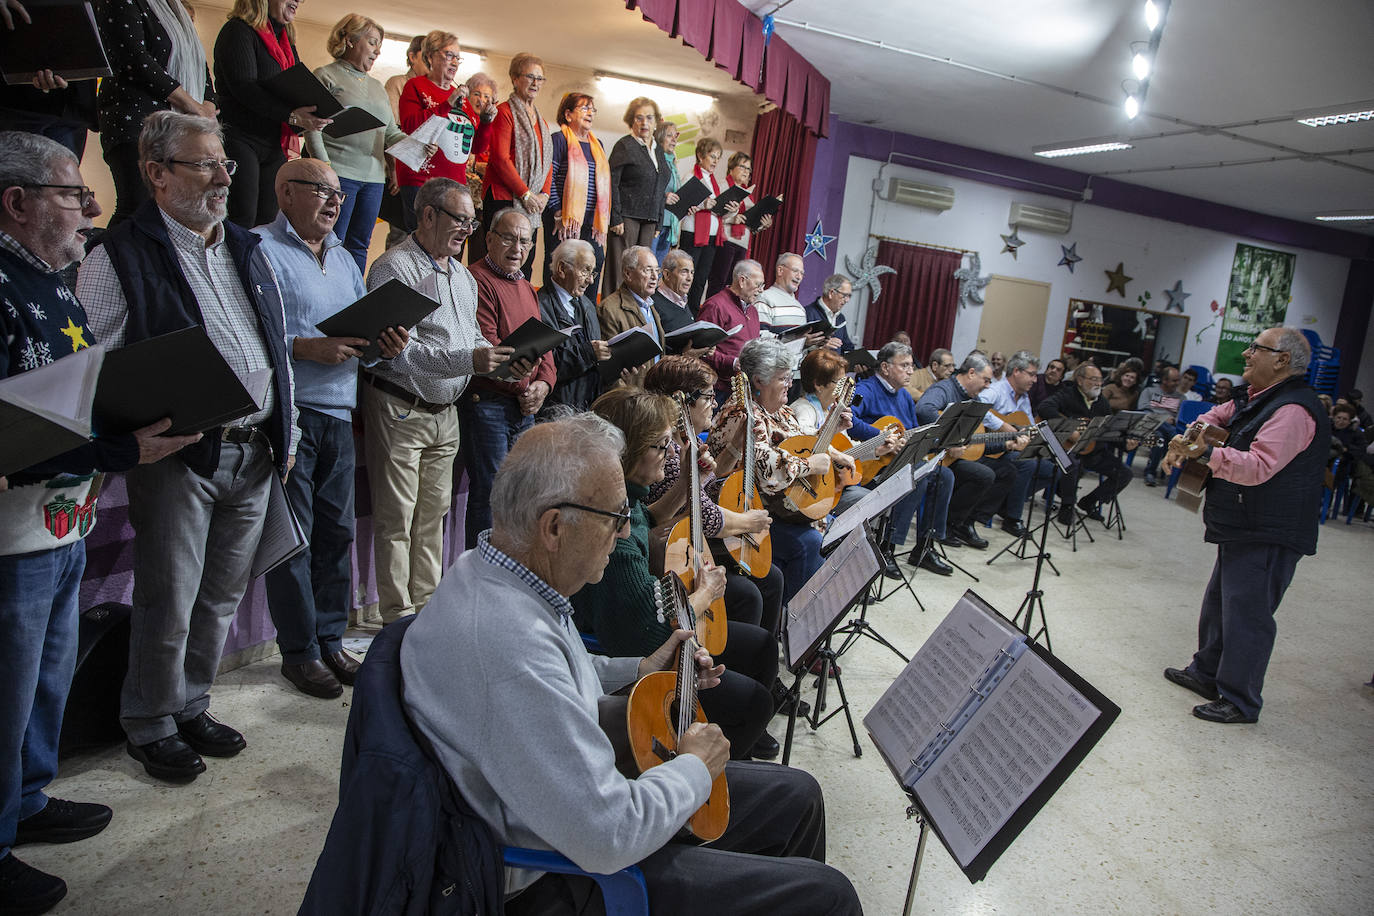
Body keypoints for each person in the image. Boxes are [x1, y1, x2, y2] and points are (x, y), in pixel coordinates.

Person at [400, 415, 863, 915]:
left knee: (797, 796)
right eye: (615, 517)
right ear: (554, 527)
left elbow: (567, 676)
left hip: (573, 811)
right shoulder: (506, 643)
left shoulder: (497, 570)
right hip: (560, 876)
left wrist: (643, 668)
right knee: (828, 897)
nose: (625, 534)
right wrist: (693, 768)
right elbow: (610, 834)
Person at [0, 130, 199, 916]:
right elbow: (17, 433)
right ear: (15, 203)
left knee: (47, 680)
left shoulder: (53, 280)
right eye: (69, 195)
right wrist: (123, 445)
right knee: (7, 693)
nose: (89, 209)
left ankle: (28, 799)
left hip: (64, 521)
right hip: (12, 535)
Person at [78, 111, 299, 784]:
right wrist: (122, 439)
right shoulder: (120, 253)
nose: (222, 179)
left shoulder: (244, 247)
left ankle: (190, 703)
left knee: (220, 599)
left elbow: (276, 343)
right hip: (178, 454)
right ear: (156, 173)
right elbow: (91, 363)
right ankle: (148, 722)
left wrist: (283, 429)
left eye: (225, 164)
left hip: (254, 451)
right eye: (204, 165)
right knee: (168, 600)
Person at [254, 159, 409, 699]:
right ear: (285, 192)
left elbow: (355, 334)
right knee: (294, 538)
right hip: (289, 409)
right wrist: (304, 347)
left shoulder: (345, 258)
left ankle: (329, 637)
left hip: (340, 409)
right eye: (321, 191)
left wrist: (381, 344)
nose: (334, 202)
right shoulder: (258, 249)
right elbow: (249, 334)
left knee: (336, 531)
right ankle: (298, 652)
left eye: (340, 195)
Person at [571, 388, 779, 760]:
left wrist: (685, 482)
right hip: (631, 650)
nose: (671, 455)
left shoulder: (625, 499)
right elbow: (645, 637)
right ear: (629, 450)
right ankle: (715, 777)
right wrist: (706, 593)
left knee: (760, 645)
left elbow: (645, 519)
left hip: (649, 624)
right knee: (754, 702)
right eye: (663, 445)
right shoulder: (612, 536)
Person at [361, 178, 514, 624]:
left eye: (472, 221)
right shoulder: (395, 268)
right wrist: (470, 358)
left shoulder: (462, 276)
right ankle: (396, 619)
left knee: (433, 519)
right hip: (400, 405)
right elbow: (398, 351)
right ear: (427, 215)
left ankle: (426, 613)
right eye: (459, 219)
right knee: (396, 521)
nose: (467, 229)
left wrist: (500, 357)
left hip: (445, 413)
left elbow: (472, 338)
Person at [1161, 328, 1328, 724]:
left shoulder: (1293, 410)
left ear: (1282, 360)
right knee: (1221, 602)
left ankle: (1240, 700)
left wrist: (1206, 452)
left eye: (1257, 348)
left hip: (1271, 529)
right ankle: (1206, 673)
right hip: (1243, 521)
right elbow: (1210, 418)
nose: (1247, 354)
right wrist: (1188, 438)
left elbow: (1258, 467)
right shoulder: (1255, 398)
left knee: (1248, 615)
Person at [709, 338, 850, 604]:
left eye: (789, 377)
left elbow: (800, 447)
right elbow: (769, 472)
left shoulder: (781, 412)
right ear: (759, 381)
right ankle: (792, 619)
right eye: (783, 378)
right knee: (808, 541)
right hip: (744, 512)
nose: (789, 385)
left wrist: (831, 431)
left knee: (831, 528)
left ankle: (811, 612)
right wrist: (809, 466)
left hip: (778, 507)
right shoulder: (742, 414)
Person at [804, 349, 954, 576]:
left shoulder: (903, 395)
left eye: (911, 366)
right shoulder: (864, 390)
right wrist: (880, 437)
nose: (910, 371)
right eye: (904, 365)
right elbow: (851, 422)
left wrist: (887, 445)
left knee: (942, 475)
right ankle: (883, 550)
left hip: (872, 459)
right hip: (861, 470)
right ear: (885, 367)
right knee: (914, 477)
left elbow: (910, 430)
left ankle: (924, 545)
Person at [463, 207, 556, 547]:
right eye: (508, 238)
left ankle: (510, 572)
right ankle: (480, 577)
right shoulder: (476, 280)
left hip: (523, 408)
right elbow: (489, 347)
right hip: (488, 405)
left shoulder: (527, 288)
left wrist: (543, 385)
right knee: (490, 497)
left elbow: (545, 350)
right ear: (488, 239)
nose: (517, 248)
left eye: (525, 241)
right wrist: (525, 387)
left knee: (520, 498)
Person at [95, 0, 217, 228]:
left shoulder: (177, 10)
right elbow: (135, 59)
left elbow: (201, 67)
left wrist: (207, 106)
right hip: (138, 125)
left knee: (172, 215)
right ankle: (106, 263)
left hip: (181, 130)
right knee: (139, 209)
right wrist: (191, 105)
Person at [302, 14, 408, 275]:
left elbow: (390, 133)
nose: (377, 51)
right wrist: (324, 168)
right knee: (331, 241)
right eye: (372, 42)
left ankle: (351, 298)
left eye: (379, 45)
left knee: (360, 244)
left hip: (373, 178)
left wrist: (417, 143)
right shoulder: (326, 75)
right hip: (339, 174)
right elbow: (312, 126)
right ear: (350, 39)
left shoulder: (378, 86)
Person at [215, 0, 332, 228]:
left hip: (273, 141)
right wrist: (292, 115)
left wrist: (312, 114)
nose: (299, 1)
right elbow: (244, 87)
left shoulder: (285, 40)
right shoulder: (238, 31)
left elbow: (293, 87)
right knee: (242, 216)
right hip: (241, 138)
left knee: (269, 220)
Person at [914, 352, 1014, 550]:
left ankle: (957, 524)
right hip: (931, 453)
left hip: (953, 456)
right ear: (970, 373)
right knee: (954, 476)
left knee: (994, 473)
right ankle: (932, 540)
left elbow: (973, 442)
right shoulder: (945, 388)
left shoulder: (973, 400)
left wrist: (1006, 444)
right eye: (985, 380)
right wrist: (948, 439)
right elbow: (924, 409)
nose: (987, 386)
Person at [395, 30, 491, 233]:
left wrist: (485, 122)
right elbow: (411, 126)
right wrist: (446, 104)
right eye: (449, 55)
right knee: (422, 241)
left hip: (454, 185)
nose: (454, 62)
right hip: (421, 180)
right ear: (429, 56)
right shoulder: (416, 86)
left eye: (458, 57)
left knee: (448, 245)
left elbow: (476, 147)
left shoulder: (462, 100)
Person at [479, 52, 552, 279]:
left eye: (539, 78)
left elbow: (547, 161)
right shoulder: (504, 112)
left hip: (532, 204)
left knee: (525, 265)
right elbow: (500, 159)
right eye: (529, 76)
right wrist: (526, 194)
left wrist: (545, 195)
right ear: (514, 78)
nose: (535, 83)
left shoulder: (542, 121)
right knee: (498, 263)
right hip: (504, 197)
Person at [1036, 363, 1137, 525]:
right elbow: (1044, 407)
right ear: (1080, 380)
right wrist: (1069, 430)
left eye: (1099, 380)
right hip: (1066, 449)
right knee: (1072, 463)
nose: (1098, 383)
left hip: (1092, 451)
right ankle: (1067, 506)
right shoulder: (1067, 394)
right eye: (1093, 379)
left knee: (1125, 473)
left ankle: (1089, 501)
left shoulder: (1102, 403)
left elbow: (1110, 431)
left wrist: (1126, 444)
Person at [540, 92, 610, 292]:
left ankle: (585, 316)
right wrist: (556, 211)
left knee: (591, 269)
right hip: (563, 221)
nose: (590, 113)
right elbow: (549, 178)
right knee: (563, 269)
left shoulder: (599, 145)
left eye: (592, 109)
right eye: (584, 108)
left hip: (591, 224)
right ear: (568, 114)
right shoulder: (559, 140)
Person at [604, 96, 671, 298]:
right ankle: (611, 315)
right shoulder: (624, 145)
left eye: (649, 118)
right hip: (626, 217)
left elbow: (660, 187)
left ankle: (634, 315)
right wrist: (616, 217)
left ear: (656, 121)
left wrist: (659, 221)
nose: (644, 123)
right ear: (631, 121)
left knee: (643, 271)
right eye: (639, 118)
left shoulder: (658, 150)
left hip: (650, 220)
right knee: (620, 270)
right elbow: (612, 182)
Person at [537, 238, 610, 411]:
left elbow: (594, 361)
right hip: (557, 410)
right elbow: (547, 364)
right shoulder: (540, 305)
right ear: (562, 269)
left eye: (593, 273)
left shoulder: (587, 305)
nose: (590, 281)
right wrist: (588, 352)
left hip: (587, 406)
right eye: (585, 271)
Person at [698, 258, 765, 400]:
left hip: (743, 390)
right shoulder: (716, 306)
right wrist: (733, 363)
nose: (761, 291)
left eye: (762, 285)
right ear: (742, 281)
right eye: (758, 285)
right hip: (717, 390)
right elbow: (700, 351)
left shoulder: (753, 311)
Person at [707, 152, 771, 297]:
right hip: (725, 240)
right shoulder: (722, 186)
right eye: (742, 167)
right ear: (731, 168)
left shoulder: (748, 195)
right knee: (719, 280)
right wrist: (732, 219)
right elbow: (713, 215)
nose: (746, 172)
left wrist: (762, 224)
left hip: (742, 244)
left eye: (748, 169)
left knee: (734, 285)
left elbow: (749, 223)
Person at [679, 137, 727, 310]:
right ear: (700, 155)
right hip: (693, 233)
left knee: (700, 278)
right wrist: (702, 204)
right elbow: (682, 203)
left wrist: (728, 207)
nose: (715, 161)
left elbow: (716, 208)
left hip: (711, 236)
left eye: (718, 157)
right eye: (712, 156)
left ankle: (693, 312)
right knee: (686, 277)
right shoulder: (691, 176)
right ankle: (681, 309)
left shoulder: (714, 182)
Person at [597, 244, 664, 350]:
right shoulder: (609, 309)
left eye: (657, 270)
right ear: (628, 273)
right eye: (648, 270)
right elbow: (611, 357)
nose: (655, 277)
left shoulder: (651, 307)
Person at [1139, 365, 1188, 486]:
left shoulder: (1181, 397)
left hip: (1166, 429)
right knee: (1166, 438)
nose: (1178, 383)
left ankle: (1151, 473)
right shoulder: (1149, 391)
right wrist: (1164, 419)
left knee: (1161, 439)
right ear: (1165, 380)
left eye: (1178, 380)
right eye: (1174, 380)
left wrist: (1173, 421)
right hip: (1150, 426)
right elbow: (1142, 410)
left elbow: (1180, 418)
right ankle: (1150, 472)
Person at [756, 252, 821, 342]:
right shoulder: (764, 299)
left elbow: (800, 347)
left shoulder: (800, 308)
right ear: (780, 270)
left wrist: (816, 342)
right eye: (795, 271)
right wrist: (797, 340)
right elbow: (759, 337)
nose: (799, 277)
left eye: (802, 273)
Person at [650, 120, 682, 265]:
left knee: (659, 268)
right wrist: (665, 196)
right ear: (660, 137)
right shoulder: (655, 159)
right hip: (656, 221)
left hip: (669, 223)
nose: (674, 140)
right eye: (670, 136)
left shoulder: (673, 162)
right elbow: (651, 188)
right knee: (649, 263)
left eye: (676, 136)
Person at [805, 274, 854, 352]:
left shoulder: (841, 318)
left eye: (849, 296)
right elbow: (799, 347)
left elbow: (847, 347)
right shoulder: (808, 313)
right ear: (831, 293)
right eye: (844, 295)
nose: (847, 300)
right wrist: (820, 347)